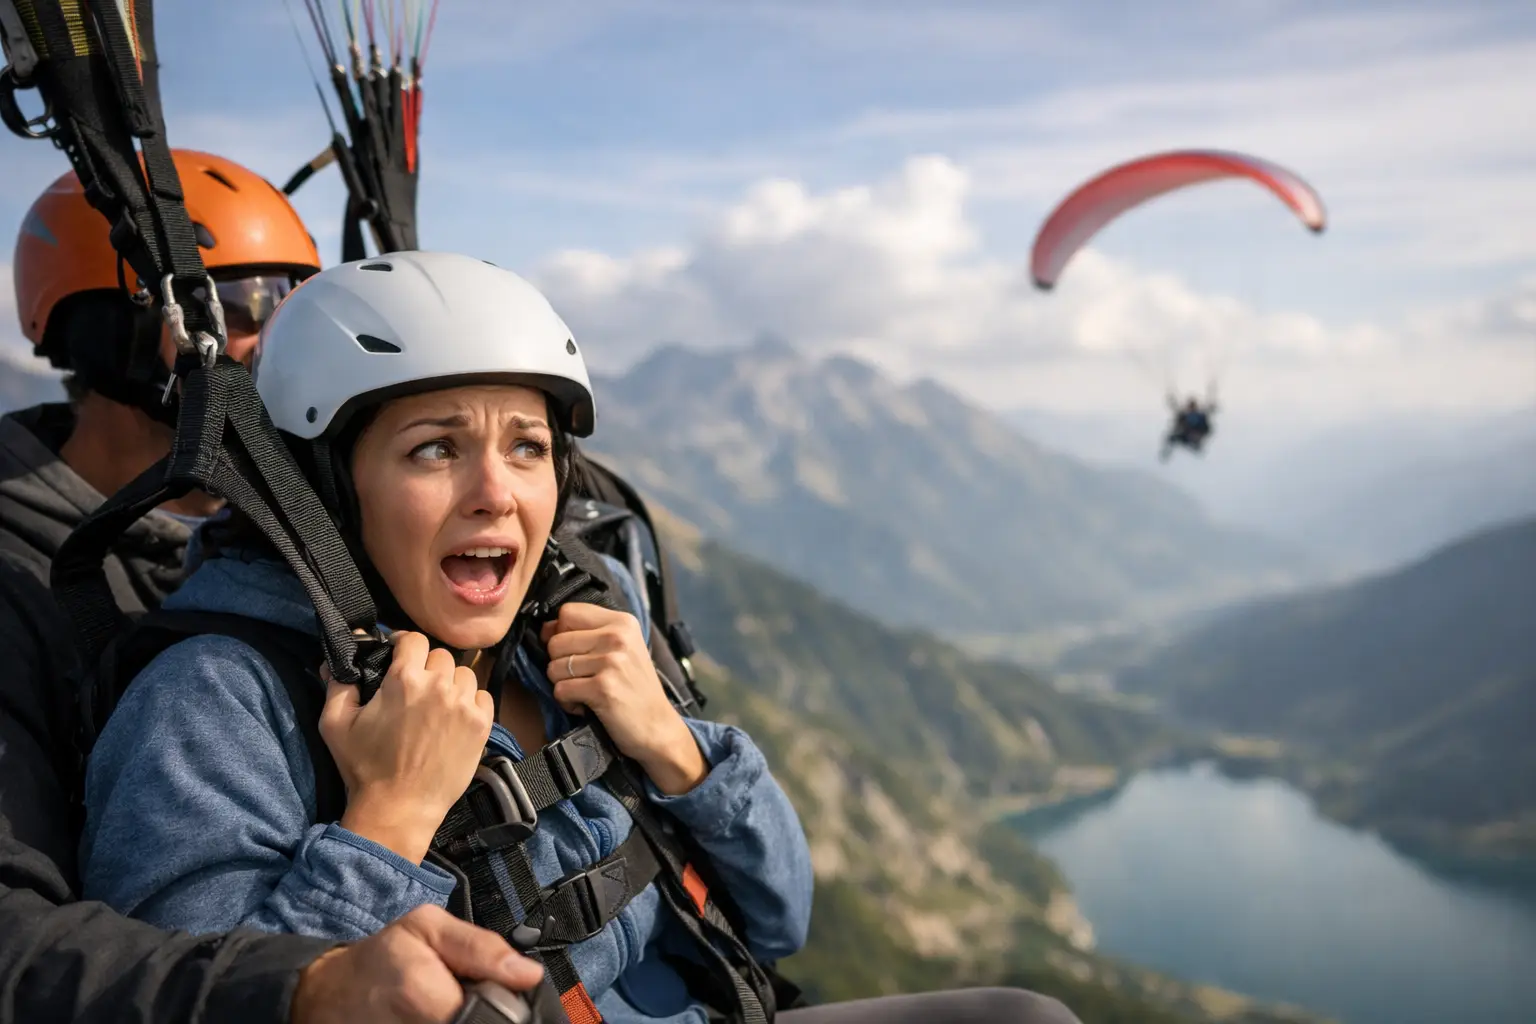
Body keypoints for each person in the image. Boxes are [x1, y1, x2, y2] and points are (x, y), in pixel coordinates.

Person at [77, 251, 1082, 1024]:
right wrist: (383, 823)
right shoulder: (217, 704)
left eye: (527, 448)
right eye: (435, 449)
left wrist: (677, 749)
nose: (496, 494)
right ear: (327, 488)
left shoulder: (562, 639)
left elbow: (779, 919)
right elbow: (212, 992)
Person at [0, 155, 545, 1024]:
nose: (281, 342)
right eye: (245, 306)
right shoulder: (32, 592)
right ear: (111, 334)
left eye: (295, 304)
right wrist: (318, 965)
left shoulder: (311, 563)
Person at [1160, 394, 1217, 462]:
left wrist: (1199, 434)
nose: (1191, 408)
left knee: (1195, 444)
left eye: (1193, 407)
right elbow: (1177, 424)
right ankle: (1166, 454)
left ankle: (1196, 446)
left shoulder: (1201, 416)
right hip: (1186, 435)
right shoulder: (1184, 416)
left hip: (1195, 437)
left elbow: (1208, 429)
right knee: (1172, 438)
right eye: (1190, 407)